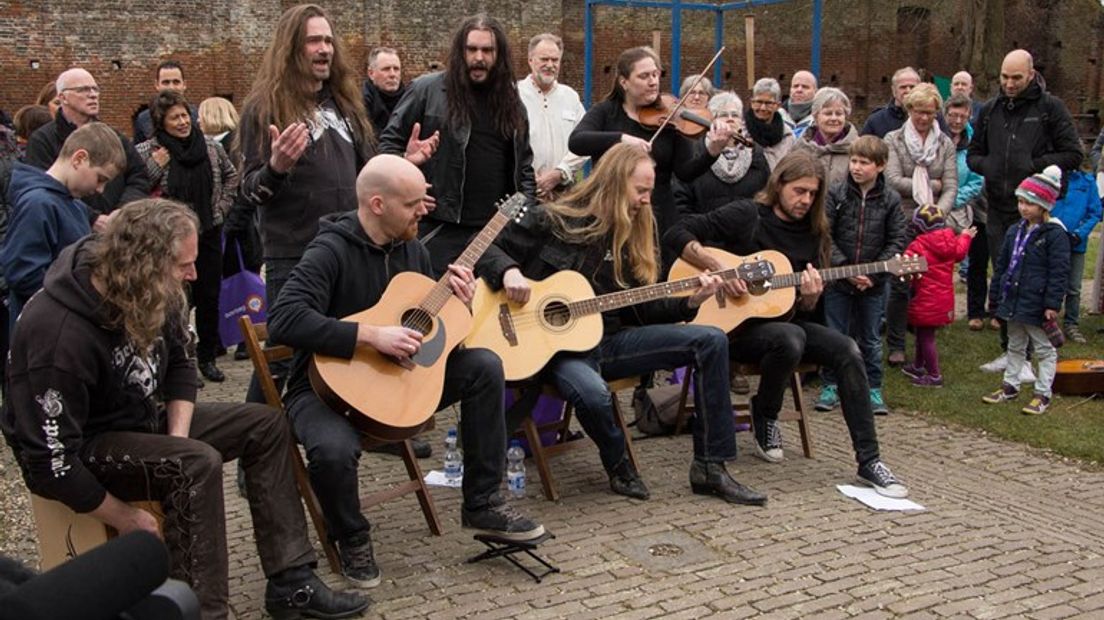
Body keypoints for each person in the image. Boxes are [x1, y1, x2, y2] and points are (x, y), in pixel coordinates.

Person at [0, 199, 369, 620]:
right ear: (143, 261)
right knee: (195, 462)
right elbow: (50, 463)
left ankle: (292, 583)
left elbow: (180, 363)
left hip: (142, 418)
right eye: (183, 265)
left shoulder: (156, 288)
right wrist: (124, 517)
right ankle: (203, 611)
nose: (193, 274)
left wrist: (174, 439)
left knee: (265, 424)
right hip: (85, 445)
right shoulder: (58, 332)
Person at [268, 155, 545, 589]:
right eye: (413, 202)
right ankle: (351, 535)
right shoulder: (330, 250)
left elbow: (429, 333)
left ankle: (482, 501)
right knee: (333, 451)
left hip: (399, 379)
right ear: (377, 204)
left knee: (485, 366)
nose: (424, 210)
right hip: (323, 387)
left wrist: (461, 302)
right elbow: (283, 320)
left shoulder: (412, 248)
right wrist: (370, 336)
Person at [478, 143, 765, 506]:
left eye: (649, 190)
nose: (647, 200)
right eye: (641, 190)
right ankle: (619, 465)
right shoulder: (554, 220)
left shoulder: (631, 238)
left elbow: (639, 310)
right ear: (614, 183)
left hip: (610, 341)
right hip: (555, 350)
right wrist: (510, 271)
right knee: (593, 393)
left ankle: (711, 467)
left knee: (710, 339)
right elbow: (484, 247)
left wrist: (691, 301)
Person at [664, 150, 909, 498]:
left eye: (812, 194)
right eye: (799, 191)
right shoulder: (747, 215)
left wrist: (810, 296)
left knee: (847, 349)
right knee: (790, 338)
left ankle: (869, 460)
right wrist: (717, 266)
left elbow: (803, 312)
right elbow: (678, 230)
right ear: (779, 185)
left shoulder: (814, 234)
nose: (806, 200)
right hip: (730, 330)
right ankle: (766, 414)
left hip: (782, 324)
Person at [378, 13, 528, 276]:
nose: (479, 57)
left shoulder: (513, 104)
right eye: (472, 49)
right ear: (461, 52)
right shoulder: (426, 90)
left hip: (492, 236)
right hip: (437, 230)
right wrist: (406, 190)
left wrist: (520, 220)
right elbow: (387, 149)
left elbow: (525, 174)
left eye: (487, 50)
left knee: (483, 316)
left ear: (499, 55)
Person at [967, 49, 1082, 374]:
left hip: (1035, 212)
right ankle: (1010, 350)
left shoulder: (1050, 109)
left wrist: (1033, 166)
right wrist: (989, 165)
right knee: (1004, 278)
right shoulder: (990, 110)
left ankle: (1033, 355)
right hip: (999, 207)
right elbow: (974, 154)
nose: (1009, 84)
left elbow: (1073, 153)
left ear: (1031, 74)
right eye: (1004, 77)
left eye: (1016, 77)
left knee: (1031, 281)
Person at [567, 46, 733, 265]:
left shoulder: (671, 115)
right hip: (613, 213)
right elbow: (577, 141)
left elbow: (685, 172)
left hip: (658, 214)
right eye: (644, 76)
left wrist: (713, 151)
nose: (653, 81)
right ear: (623, 82)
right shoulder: (607, 112)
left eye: (655, 74)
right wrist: (621, 139)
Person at [135, 90, 238, 384]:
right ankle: (177, 360)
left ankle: (207, 356)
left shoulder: (208, 146)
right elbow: (138, 186)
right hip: (168, 239)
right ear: (160, 122)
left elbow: (232, 177)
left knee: (209, 296)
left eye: (185, 116)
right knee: (174, 301)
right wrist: (158, 164)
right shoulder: (148, 150)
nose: (182, 122)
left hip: (207, 230)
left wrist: (221, 208)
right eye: (174, 118)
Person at [1, 122, 125, 336]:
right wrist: (82, 296)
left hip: (67, 324)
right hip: (44, 330)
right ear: (79, 159)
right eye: (100, 178)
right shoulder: (37, 204)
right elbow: (24, 275)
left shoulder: (73, 204)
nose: (100, 189)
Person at [815, 135, 907, 415]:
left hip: (874, 283)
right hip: (839, 280)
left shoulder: (891, 199)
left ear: (880, 166)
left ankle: (873, 388)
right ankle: (830, 385)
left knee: (870, 337)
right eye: (853, 161)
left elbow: (897, 239)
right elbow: (825, 233)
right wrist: (846, 270)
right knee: (835, 333)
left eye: (863, 163)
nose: (856, 167)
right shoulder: (836, 193)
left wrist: (874, 274)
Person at [982, 167, 1071, 415]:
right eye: (1021, 201)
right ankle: (1011, 384)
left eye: (1030, 203)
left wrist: (1052, 303)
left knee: (1044, 349)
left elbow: (1059, 272)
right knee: (1015, 344)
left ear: (1044, 205)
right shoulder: (1014, 230)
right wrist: (996, 298)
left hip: (1038, 303)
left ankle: (1043, 392)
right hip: (1013, 300)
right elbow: (1001, 266)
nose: (1023, 208)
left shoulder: (1055, 235)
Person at [883, 83, 957, 366]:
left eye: (929, 112)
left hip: (934, 225)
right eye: (918, 112)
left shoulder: (945, 144)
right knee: (901, 282)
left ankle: (925, 342)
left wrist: (936, 215)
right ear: (908, 109)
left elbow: (951, 186)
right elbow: (892, 179)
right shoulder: (894, 139)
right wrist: (928, 183)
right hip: (902, 220)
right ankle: (897, 344)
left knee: (930, 284)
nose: (924, 118)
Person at [26, 68, 150, 229]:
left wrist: (124, 210)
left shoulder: (114, 137)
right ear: (63, 97)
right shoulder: (42, 140)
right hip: (71, 231)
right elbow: (44, 189)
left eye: (95, 89)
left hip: (119, 230)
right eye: (83, 90)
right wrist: (91, 217)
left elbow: (138, 176)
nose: (93, 95)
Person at [199, 96, 263, 361]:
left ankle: (246, 339)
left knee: (241, 284)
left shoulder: (232, 146)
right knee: (226, 286)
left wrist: (230, 226)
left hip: (238, 231)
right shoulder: (212, 146)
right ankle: (225, 337)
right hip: (232, 229)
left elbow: (242, 191)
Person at [902, 205, 976, 388]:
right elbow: (960, 252)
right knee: (923, 333)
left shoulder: (917, 245)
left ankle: (934, 375)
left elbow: (904, 265)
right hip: (943, 299)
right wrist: (966, 236)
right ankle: (918, 366)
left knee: (926, 337)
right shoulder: (950, 240)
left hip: (924, 299)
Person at [673, 92, 769, 217]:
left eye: (735, 115)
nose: (730, 118)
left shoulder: (757, 155)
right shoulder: (696, 154)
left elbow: (767, 197)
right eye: (723, 115)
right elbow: (681, 201)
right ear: (711, 121)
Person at [518, 33, 588, 200]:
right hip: (522, 192)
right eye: (544, 59)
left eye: (555, 60)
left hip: (563, 193)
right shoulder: (514, 95)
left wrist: (560, 172)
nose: (550, 65)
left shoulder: (570, 97)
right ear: (530, 60)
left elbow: (584, 141)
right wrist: (530, 178)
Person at [943, 93, 989, 331]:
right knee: (938, 265)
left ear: (969, 116)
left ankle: (975, 310)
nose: (957, 120)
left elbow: (977, 177)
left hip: (963, 209)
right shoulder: (937, 138)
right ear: (946, 114)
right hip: (936, 208)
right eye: (953, 115)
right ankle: (938, 310)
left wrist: (953, 199)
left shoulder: (974, 141)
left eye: (962, 116)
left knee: (969, 259)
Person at [1049, 157, 1101, 344]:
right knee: (1049, 281)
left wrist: (1080, 233)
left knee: (1074, 286)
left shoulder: (1087, 182)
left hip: (1076, 243)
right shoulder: (1051, 178)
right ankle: (1047, 322)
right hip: (1052, 240)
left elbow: (1095, 212)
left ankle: (1071, 323)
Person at [793, 87, 859, 189]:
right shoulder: (799, 148)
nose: (834, 118)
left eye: (839, 114)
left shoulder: (858, 149)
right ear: (815, 116)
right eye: (828, 113)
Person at [132, 61, 198, 145]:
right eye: (166, 82)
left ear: (184, 84)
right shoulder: (144, 119)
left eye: (176, 82)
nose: (171, 87)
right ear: (157, 85)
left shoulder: (197, 115)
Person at [745, 77, 796, 170]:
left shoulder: (788, 137)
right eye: (759, 102)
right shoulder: (741, 132)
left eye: (768, 103)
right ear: (751, 102)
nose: (763, 108)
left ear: (778, 105)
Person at [861, 66, 920, 138]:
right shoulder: (876, 121)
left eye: (912, 87)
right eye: (903, 87)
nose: (908, 91)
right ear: (894, 90)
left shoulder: (931, 117)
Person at [362, 47, 405, 135]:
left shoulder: (411, 101)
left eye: (396, 69)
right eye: (386, 69)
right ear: (371, 73)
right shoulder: (360, 106)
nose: (392, 74)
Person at [780, 70, 817, 138]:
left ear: (815, 91)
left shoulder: (820, 117)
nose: (799, 90)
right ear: (790, 90)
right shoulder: (778, 115)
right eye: (795, 86)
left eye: (805, 87)